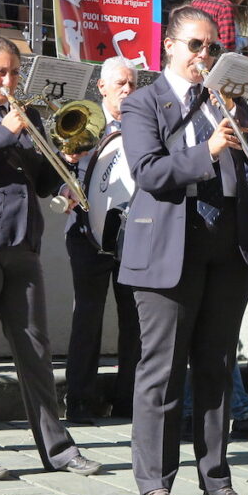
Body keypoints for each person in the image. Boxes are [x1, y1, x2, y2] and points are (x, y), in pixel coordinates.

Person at [119, 5, 248, 495]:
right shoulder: (143, 103)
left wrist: (244, 129)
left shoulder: (223, 103)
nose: (205, 56)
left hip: (226, 248)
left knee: (217, 367)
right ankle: (154, 482)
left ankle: (216, 478)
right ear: (171, 48)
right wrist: (211, 148)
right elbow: (149, 171)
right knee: (161, 368)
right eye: (197, 46)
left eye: (213, 48)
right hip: (167, 250)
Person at [0, 36, 101, 480]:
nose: (9, 80)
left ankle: (58, 449)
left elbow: (39, 177)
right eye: (1, 71)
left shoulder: (27, 116)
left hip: (22, 241)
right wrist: (6, 132)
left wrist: (62, 183)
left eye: (15, 72)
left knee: (36, 349)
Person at [63, 57, 142, 423]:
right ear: (102, 87)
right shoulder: (83, 124)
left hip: (132, 237)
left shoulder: (142, 127)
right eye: (121, 83)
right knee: (88, 320)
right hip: (87, 236)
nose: (127, 90)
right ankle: (80, 401)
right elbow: (63, 171)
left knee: (135, 321)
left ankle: (128, 400)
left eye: (132, 84)